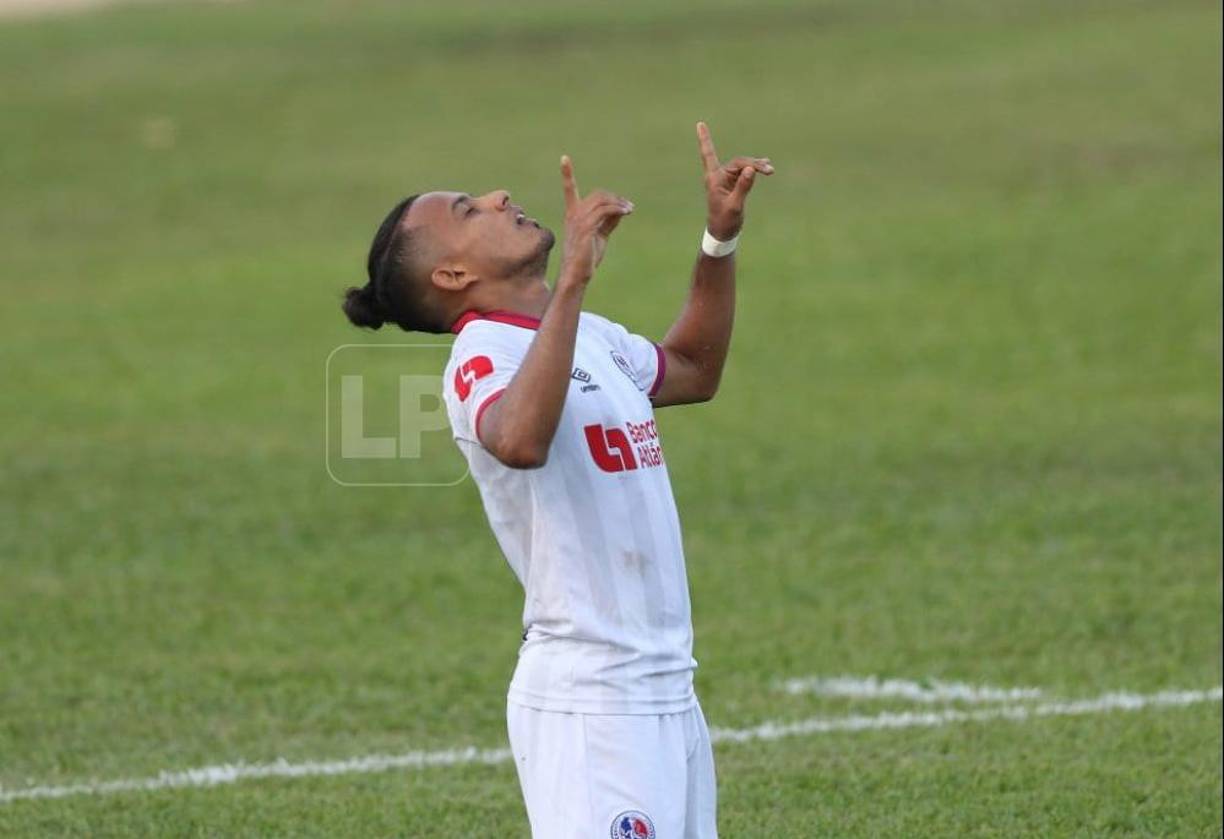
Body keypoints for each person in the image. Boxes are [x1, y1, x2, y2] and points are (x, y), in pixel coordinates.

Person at [341, 122, 772, 838]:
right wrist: (571, 277)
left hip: (667, 688)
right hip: (592, 704)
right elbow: (518, 438)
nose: (498, 195)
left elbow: (693, 371)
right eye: (467, 210)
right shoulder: (479, 356)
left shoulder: (590, 336)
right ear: (452, 278)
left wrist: (718, 240)